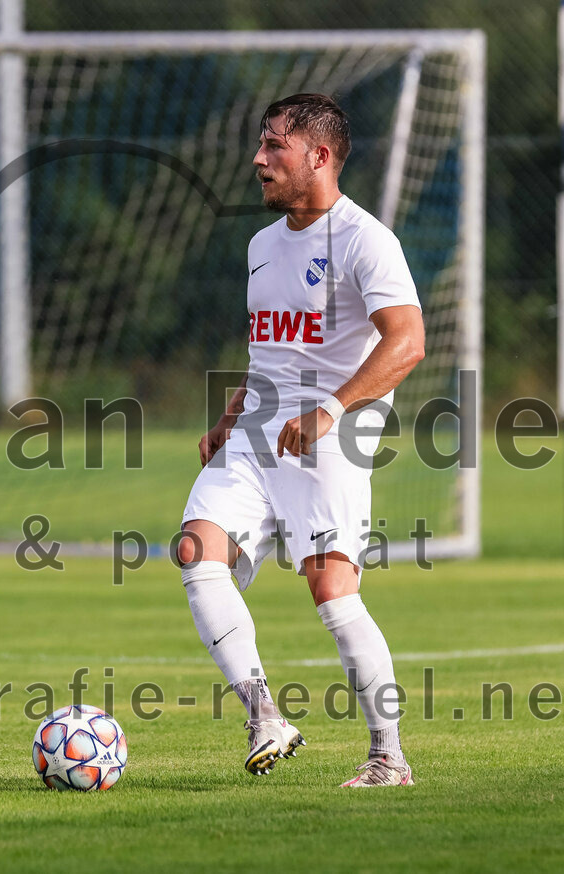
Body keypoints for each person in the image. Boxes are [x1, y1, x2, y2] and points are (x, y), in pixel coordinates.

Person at [176, 93, 425, 787]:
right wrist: (232, 414)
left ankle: (387, 757)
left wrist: (332, 409)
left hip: (329, 440)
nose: (259, 158)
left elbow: (407, 342)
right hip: (259, 428)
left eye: (274, 145)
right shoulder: (261, 245)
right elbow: (273, 351)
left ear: (318, 156)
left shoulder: (364, 240)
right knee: (197, 549)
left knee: (332, 592)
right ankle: (264, 714)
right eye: (261, 144)